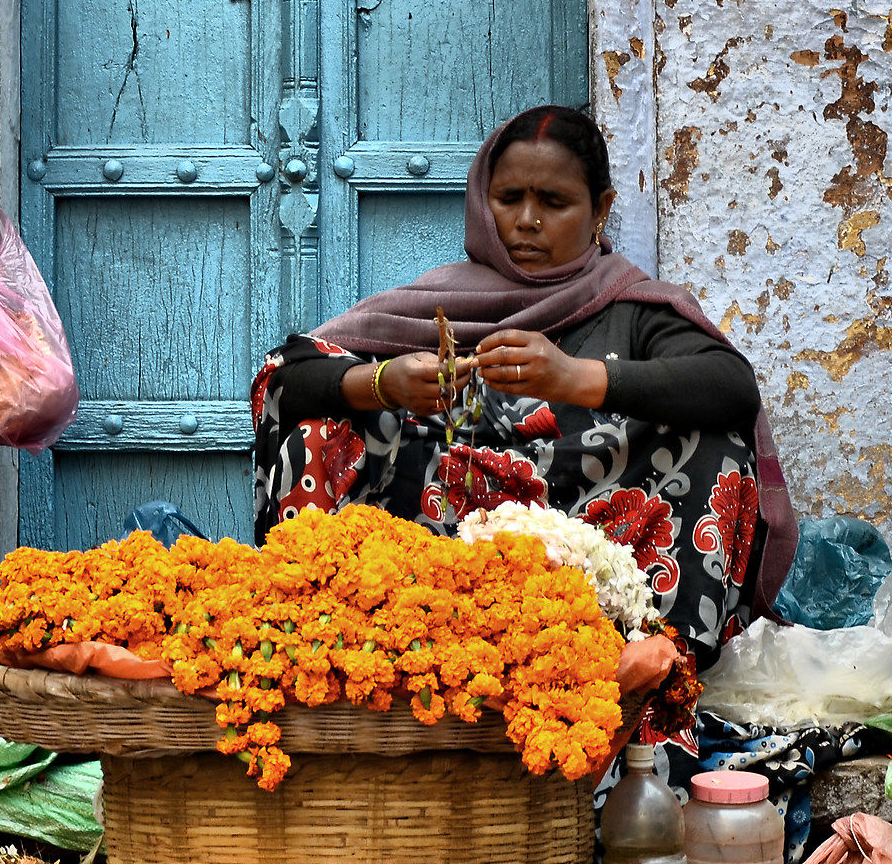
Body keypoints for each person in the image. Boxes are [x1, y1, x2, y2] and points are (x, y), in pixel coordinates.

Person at [251, 106, 799, 664]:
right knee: (321, 428)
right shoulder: (435, 309)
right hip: (436, 568)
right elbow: (288, 380)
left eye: (554, 203)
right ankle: (326, 646)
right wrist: (383, 383)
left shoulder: (631, 308)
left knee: (716, 441)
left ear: (600, 210)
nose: (527, 220)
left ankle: (658, 664)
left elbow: (730, 385)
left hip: (599, 569)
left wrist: (574, 377)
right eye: (509, 199)